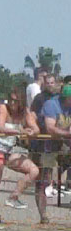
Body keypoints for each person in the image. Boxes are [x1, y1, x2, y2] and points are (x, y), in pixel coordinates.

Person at [0, 84, 39, 223]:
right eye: (11, 99)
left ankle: (14, 196)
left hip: (9, 151)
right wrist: (20, 131)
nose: (12, 103)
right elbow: (1, 127)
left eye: (16, 100)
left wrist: (32, 131)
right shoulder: (3, 107)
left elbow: (35, 128)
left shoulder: (24, 112)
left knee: (34, 170)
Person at [34, 85, 71, 223]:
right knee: (43, 181)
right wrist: (67, 134)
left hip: (64, 145)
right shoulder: (51, 105)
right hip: (46, 146)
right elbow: (50, 128)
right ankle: (43, 216)